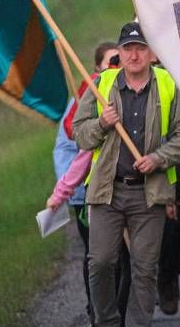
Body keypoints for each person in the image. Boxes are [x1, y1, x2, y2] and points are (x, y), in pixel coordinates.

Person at [73, 21, 180, 327]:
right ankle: (107, 321)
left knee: (144, 268)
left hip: (149, 192)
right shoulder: (102, 84)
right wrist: (102, 123)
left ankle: (137, 324)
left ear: (151, 53)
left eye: (140, 48)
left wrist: (159, 158)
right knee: (100, 262)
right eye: (128, 49)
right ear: (120, 52)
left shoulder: (168, 84)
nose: (134, 55)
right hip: (108, 190)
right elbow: (79, 133)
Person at [51, 41, 123, 325]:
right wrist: (69, 190)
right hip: (86, 194)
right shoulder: (82, 101)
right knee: (97, 255)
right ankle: (98, 308)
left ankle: (119, 308)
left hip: (120, 191)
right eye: (110, 61)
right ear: (97, 68)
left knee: (122, 256)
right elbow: (69, 149)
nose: (115, 66)